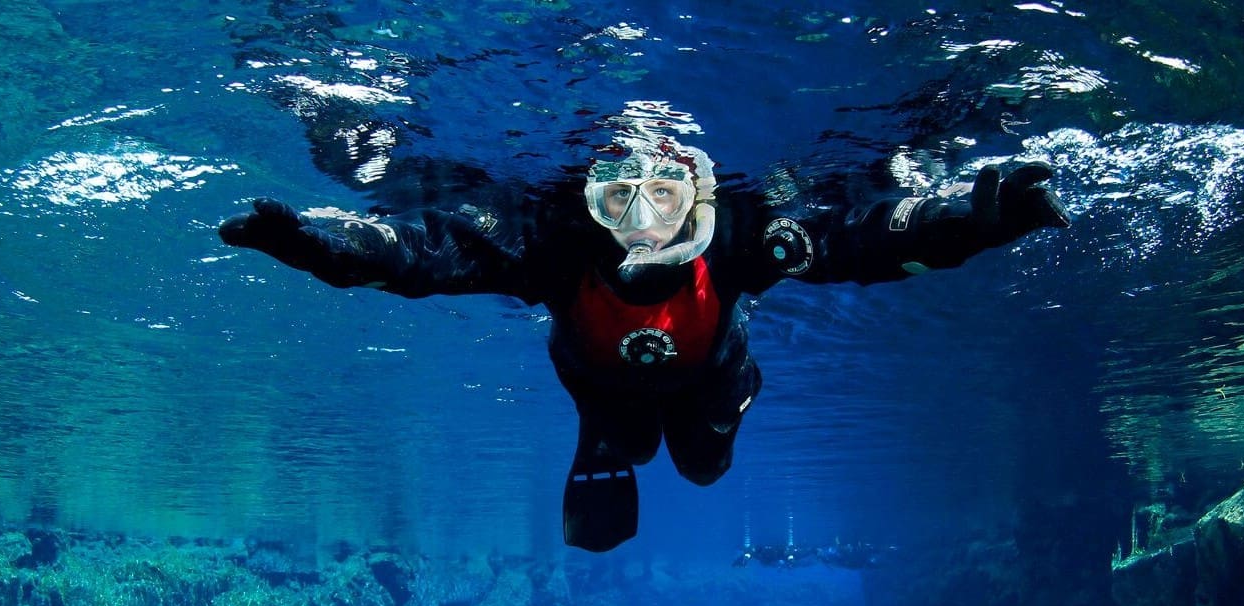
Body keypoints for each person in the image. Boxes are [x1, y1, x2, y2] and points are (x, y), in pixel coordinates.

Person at [217, 139, 1069, 552]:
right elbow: (422, 258)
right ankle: (613, 434)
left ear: (698, 196)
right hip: (598, 384)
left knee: (702, 463)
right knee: (626, 438)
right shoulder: (551, 245)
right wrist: (322, 244)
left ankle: (704, 417)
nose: (642, 221)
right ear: (589, 201)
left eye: (664, 195)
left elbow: (866, 239)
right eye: (618, 195)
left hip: (711, 372)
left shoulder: (742, 237)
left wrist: (969, 219)